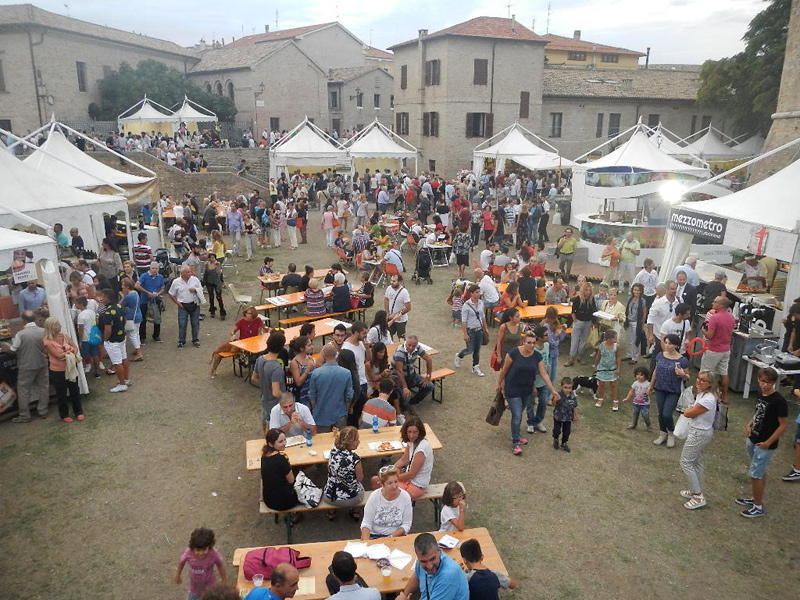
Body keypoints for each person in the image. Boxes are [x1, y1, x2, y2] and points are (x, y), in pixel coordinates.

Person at [736, 367, 788, 518]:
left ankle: (758, 507)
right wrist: (749, 424)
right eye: (762, 381)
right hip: (754, 438)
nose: (764, 384)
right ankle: (755, 499)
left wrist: (768, 442)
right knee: (758, 471)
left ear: (774, 382)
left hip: (764, 443)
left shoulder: (779, 401)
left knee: (756, 475)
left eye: (768, 382)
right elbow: (758, 413)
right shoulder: (761, 395)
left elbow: (783, 425)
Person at [497, 331, 559, 455]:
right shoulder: (514, 353)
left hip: (526, 390)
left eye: (533, 343)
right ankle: (516, 442)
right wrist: (499, 384)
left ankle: (517, 434)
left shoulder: (537, 356)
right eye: (529, 342)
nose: (531, 345)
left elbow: (544, 374)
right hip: (512, 388)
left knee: (519, 413)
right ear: (523, 342)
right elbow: (504, 370)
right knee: (517, 415)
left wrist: (553, 390)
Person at [679, 370, 719, 510]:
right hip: (699, 431)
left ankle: (697, 496)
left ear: (710, 384)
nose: (698, 381)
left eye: (703, 380)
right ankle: (696, 489)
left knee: (685, 462)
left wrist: (689, 409)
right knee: (697, 461)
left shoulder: (708, 399)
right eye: (698, 378)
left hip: (699, 433)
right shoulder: (702, 394)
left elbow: (688, 413)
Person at [2, 310, 48, 422]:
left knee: (23, 390)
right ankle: (43, 411)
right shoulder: (43, 331)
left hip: (26, 365)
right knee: (43, 388)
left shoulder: (21, 334)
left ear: (23, 321)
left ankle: (25, 415)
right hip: (42, 363)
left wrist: (6, 348)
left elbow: (13, 350)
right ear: (35, 319)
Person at [395, 533, 469, 600]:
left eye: (432, 559)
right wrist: (404, 595)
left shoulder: (448, 575)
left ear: (439, 550)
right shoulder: (420, 561)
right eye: (424, 561)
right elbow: (416, 577)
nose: (429, 566)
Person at [649, 333, 690, 449]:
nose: (667, 345)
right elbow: (656, 371)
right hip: (660, 388)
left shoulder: (682, 360)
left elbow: (687, 377)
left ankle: (671, 433)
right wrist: (651, 385)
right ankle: (663, 433)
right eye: (666, 343)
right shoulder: (660, 355)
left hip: (673, 390)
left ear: (676, 345)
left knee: (667, 414)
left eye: (670, 344)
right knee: (660, 412)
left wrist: (682, 374)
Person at [378, 416, 433, 500]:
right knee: (376, 480)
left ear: (420, 432)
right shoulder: (411, 442)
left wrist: (389, 479)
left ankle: (389, 506)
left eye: (415, 432)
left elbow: (412, 474)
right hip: (408, 480)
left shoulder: (422, 449)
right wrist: (389, 470)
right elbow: (404, 460)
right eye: (409, 432)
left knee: (383, 488)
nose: (411, 435)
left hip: (416, 486)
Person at [41, 317, 83, 423]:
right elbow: (58, 355)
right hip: (57, 371)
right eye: (57, 325)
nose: (60, 326)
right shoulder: (47, 342)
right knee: (61, 393)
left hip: (70, 367)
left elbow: (75, 347)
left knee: (74, 390)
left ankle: (78, 411)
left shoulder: (65, 336)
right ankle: (64, 414)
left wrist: (71, 351)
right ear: (51, 327)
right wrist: (70, 352)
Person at [209, 306, 266, 377]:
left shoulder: (258, 320)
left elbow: (260, 333)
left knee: (259, 354)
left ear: (254, 314)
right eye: (246, 313)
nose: (247, 315)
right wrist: (233, 335)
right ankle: (213, 369)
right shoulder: (241, 321)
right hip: (242, 344)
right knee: (219, 353)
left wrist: (260, 336)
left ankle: (255, 369)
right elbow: (232, 331)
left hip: (254, 344)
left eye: (250, 313)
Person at [360, 465, 413, 540]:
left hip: (396, 536)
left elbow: (406, 524)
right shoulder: (374, 497)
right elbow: (366, 523)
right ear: (382, 484)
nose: (394, 486)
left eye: (396, 481)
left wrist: (390, 538)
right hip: (375, 535)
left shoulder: (405, 497)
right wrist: (367, 542)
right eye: (390, 483)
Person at [323, 426, 365, 520]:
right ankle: (355, 511)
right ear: (349, 442)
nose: (359, 442)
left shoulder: (333, 451)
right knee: (361, 487)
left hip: (330, 496)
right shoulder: (355, 458)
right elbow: (360, 478)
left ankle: (331, 512)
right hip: (350, 499)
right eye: (356, 439)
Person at [309, 345, 354, 432]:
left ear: (323, 355)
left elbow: (312, 395)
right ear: (336, 355)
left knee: (323, 439)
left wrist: (315, 408)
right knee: (340, 439)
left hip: (321, 415)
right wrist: (346, 409)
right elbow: (349, 395)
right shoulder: (346, 373)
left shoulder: (316, 373)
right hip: (340, 414)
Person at [700, 296, 736, 404]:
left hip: (713, 349)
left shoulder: (714, 318)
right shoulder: (731, 317)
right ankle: (725, 395)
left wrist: (703, 330)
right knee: (723, 373)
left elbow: (710, 335)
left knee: (705, 373)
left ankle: (703, 394)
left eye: (715, 302)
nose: (712, 303)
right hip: (726, 349)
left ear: (721, 305)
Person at [175, 527, 227, 600]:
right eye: (198, 550)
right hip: (194, 588)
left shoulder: (213, 553)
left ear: (209, 546)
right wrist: (178, 574)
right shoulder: (189, 553)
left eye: (204, 549)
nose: (201, 553)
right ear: (193, 547)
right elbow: (181, 562)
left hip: (210, 586)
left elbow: (220, 565)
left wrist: (224, 581)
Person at [96, 287, 131, 393]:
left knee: (117, 362)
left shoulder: (107, 312)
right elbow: (124, 320)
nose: (101, 298)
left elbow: (108, 328)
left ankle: (122, 384)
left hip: (113, 341)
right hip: (121, 337)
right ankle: (126, 379)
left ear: (107, 298)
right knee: (124, 358)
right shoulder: (120, 307)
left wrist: (105, 339)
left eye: (102, 296)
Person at [253, 331, 288, 423]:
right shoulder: (276, 368)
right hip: (275, 404)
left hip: (265, 399)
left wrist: (265, 386)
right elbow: (276, 392)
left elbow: (254, 378)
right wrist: (287, 397)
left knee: (266, 422)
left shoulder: (260, 359)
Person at [392, 336, 434, 413]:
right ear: (406, 343)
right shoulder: (400, 352)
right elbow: (399, 371)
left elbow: (429, 360)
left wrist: (428, 376)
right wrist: (405, 387)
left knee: (429, 386)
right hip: (397, 377)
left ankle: (412, 402)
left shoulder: (418, 348)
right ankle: (404, 407)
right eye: (409, 345)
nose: (411, 347)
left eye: (413, 346)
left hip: (411, 374)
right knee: (405, 395)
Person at [261, 428, 300, 511]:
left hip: (268, 499)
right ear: (271, 444)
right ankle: (297, 514)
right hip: (283, 502)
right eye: (280, 442)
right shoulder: (281, 458)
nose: (284, 443)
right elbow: (291, 481)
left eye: (285, 440)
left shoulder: (264, 456)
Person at [455, 284, 489, 377]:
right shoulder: (466, 306)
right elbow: (464, 321)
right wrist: (465, 334)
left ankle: (475, 367)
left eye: (479, 292)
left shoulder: (481, 303)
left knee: (477, 350)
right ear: (471, 293)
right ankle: (459, 356)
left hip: (479, 330)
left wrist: (485, 327)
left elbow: (482, 316)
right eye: (476, 292)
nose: (479, 294)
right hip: (471, 330)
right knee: (470, 350)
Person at [565, 283, 597, 367]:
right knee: (574, 341)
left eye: (590, 290)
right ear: (583, 290)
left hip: (588, 322)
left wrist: (594, 321)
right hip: (579, 321)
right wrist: (575, 321)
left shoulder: (591, 300)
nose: (588, 292)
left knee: (584, 340)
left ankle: (580, 356)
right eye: (586, 290)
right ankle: (571, 358)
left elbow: (594, 310)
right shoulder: (577, 299)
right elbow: (573, 311)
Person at [593, 330, 622, 410]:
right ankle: (600, 398)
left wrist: (618, 368)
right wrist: (596, 365)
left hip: (612, 369)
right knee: (601, 384)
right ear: (609, 339)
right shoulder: (602, 346)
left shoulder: (617, 347)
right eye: (615, 338)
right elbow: (598, 356)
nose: (616, 339)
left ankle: (615, 401)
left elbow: (618, 358)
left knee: (613, 385)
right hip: (602, 368)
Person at [120, 277, 144, 362]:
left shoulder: (128, 297)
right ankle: (137, 348)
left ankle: (139, 352)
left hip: (131, 318)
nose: (122, 287)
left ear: (127, 287)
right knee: (136, 334)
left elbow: (120, 305)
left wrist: (123, 296)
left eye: (123, 285)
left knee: (132, 335)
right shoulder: (135, 293)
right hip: (138, 315)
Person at [624, 283, 648, 364]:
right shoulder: (629, 298)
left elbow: (644, 313)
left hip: (636, 323)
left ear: (641, 291)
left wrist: (642, 324)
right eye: (635, 290)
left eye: (638, 290)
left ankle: (635, 357)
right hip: (629, 321)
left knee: (636, 340)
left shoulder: (642, 301)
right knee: (629, 339)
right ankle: (629, 354)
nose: (636, 292)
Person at [623, 366, 652, 431]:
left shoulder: (648, 384)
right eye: (637, 374)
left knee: (645, 415)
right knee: (635, 414)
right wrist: (627, 398)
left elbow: (651, 392)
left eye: (641, 375)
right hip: (636, 403)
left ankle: (648, 425)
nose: (639, 376)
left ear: (645, 375)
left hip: (644, 404)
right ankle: (634, 424)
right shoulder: (635, 383)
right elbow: (631, 391)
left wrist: (650, 392)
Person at [288, 336, 315, 406]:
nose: (312, 347)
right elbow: (298, 382)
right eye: (309, 345)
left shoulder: (310, 359)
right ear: (302, 348)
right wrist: (307, 370)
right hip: (302, 396)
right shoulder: (295, 362)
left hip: (312, 394)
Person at [384, 274, 411, 340]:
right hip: (390, 317)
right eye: (391, 280)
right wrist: (387, 312)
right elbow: (386, 300)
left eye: (394, 281)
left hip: (400, 320)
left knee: (401, 337)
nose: (391, 282)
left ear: (400, 282)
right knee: (389, 335)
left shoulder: (404, 292)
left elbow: (408, 308)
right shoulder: (389, 288)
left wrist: (396, 315)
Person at [203, 254, 226, 320]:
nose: (212, 259)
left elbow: (219, 274)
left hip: (217, 282)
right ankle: (212, 310)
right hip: (209, 282)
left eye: (213, 257)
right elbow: (205, 274)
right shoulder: (207, 265)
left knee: (219, 297)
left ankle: (222, 312)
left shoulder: (218, 264)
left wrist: (222, 282)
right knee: (211, 297)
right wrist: (204, 282)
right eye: (210, 258)